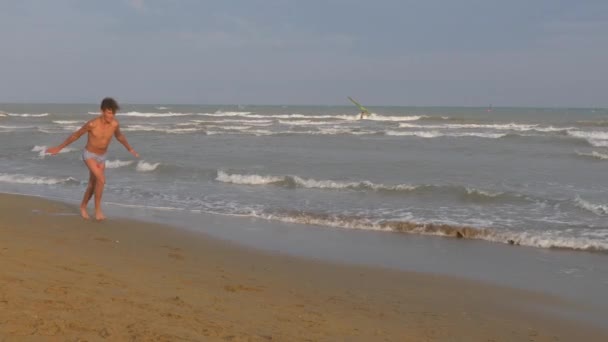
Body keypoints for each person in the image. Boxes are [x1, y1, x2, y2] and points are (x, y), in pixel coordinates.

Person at [47, 97, 139, 220]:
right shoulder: (92, 124)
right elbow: (76, 135)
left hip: (102, 157)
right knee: (101, 180)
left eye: (113, 113)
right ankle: (98, 211)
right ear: (102, 111)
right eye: (109, 112)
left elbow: (120, 136)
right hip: (89, 155)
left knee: (92, 184)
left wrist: (130, 149)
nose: (111, 116)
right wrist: (59, 148)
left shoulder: (114, 124)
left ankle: (83, 206)